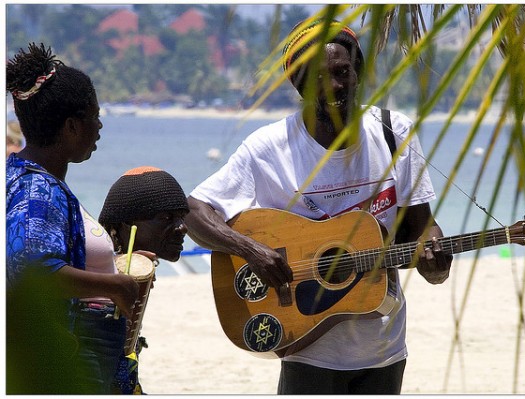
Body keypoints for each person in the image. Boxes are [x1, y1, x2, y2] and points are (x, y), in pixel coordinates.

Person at [185, 19, 453, 394]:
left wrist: (437, 263)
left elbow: (422, 230)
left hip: (385, 348)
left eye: (342, 72)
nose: (334, 87)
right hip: (306, 349)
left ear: (357, 70)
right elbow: (194, 211)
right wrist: (252, 251)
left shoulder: (395, 135)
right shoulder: (269, 149)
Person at [6, 42, 140, 394]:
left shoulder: (17, 175)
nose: (99, 126)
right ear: (70, 126)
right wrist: (116, 286)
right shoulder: (38, 189)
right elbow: (35, 269)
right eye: (93, 116)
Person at [98, 166, 190, 394]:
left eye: (182, 217)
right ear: (123, 225)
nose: (182, 228)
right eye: (166, 217)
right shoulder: (99, 279)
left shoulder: (122, 277)